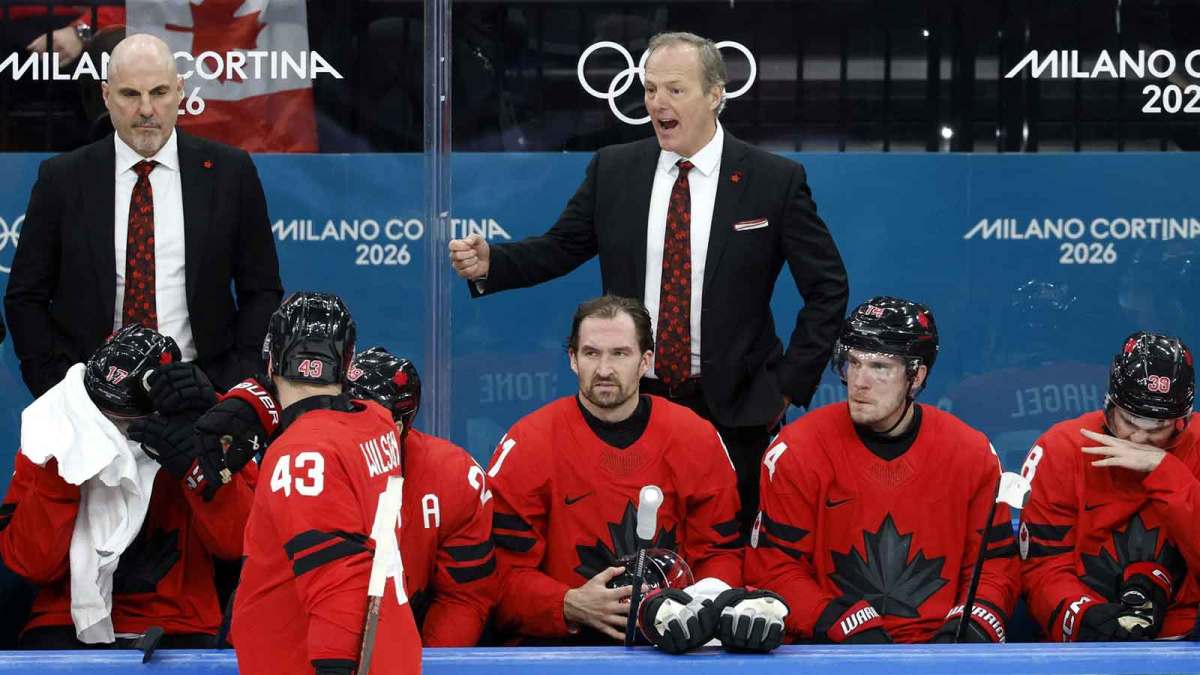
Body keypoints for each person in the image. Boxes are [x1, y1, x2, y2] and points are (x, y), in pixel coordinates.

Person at [449, 31, 849, 534]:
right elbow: (561, 247)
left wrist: (789, 385)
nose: (658, 103)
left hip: (740, 408)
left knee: (729, 552)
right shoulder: (616, 170)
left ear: (715, 94)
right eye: (650, 89)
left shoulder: (774, 180)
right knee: (636, 545)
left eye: (674, 90)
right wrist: (493, 264)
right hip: (638, 402)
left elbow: (828, 286)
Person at [486, 294, 784, 652]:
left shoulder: (694, 437)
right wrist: (567, 604)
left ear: (645, 362)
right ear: (572, 359)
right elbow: (501, 575)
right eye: (591, 353)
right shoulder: (528, 444)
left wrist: (697, 607)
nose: (604, 369)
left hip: (676, 649)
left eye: (620, 354)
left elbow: (720, 552)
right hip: (565, 648)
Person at [5, 32, 283, 397]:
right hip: (87, 401)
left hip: (199, 396)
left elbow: (262, 290)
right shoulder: (62, 179)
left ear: (180, 92)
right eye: (130, 94)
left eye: (159, 92)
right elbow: (25, 296)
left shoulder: (231, 173)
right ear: (106, 95)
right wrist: (59, 389)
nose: (147, 109)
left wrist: (229, 383)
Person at [745, 296, 1020, 644]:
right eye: (853, 363)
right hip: (829, 652)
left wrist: (974, 621)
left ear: (916, 376)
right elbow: (774, 567)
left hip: (939, 653)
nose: (859, 381)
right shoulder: (796, 450)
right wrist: (838, 622)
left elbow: (995, 565)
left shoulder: (972, 454)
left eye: (879, 367)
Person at [0, 324, 255, 648]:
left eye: (124, 420)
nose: (112, 431)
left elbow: (238, 543)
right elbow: (31, 565)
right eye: (103, 416)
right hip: (65, 622)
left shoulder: (206, 423)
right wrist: (65, 467)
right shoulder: (54, 431)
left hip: (177, 621)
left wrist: (198, 466)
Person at [231, 292, 421, 675]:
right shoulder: (377, 422)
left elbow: (339, 587)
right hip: (389, 649)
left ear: (270, 359)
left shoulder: (301, 454)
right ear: (347, 362)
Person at [1019, 331, 1200, 642]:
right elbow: (1041, 568)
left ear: (1181, 420)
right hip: (1083, 639)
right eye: (1129, 422)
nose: (1140, 440)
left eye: (1158, 427)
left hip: (1187, 639)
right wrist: (1085, 618)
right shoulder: (1061, 447)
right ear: (1110, 403)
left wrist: (1166, 472)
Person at [346, 346, 498, 646]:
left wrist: (424, 663)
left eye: (361, 416)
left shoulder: (454, 476)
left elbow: (463, 598)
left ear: (399, 425)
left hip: (414, 636)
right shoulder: (308, 466)